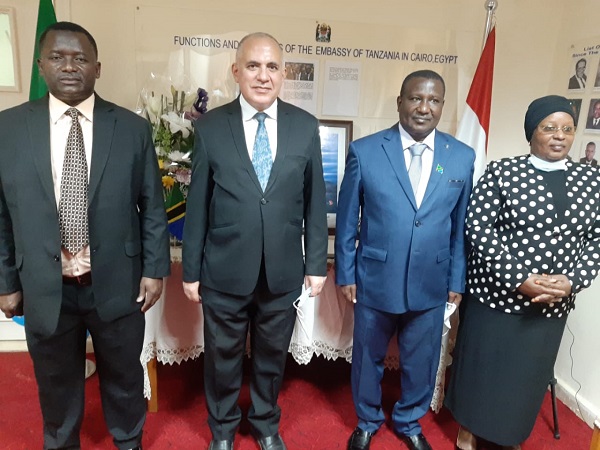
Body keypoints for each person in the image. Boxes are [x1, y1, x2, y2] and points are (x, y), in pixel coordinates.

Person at [0, 22, 170, 449]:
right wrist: (5, 282)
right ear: (40, 65)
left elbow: (152, 205)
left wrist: (154, 270)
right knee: (55, 382)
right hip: (45, 284)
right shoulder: (8, 128)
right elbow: (1, 213)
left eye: (80, 58)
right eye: (57, 57)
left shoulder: (131, 128)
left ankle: (128, 440)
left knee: (124, 376)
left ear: (98, 67)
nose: (69, 67)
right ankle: (61, 442)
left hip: (116, 282)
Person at [182, 32, 328, 450]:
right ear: (236, 71)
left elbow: (315, 200)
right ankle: (223, 429)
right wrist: (190, 271)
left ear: (283, 74)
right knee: (222, 358)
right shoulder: (210, 127)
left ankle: (265, 424)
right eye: (253, 66)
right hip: (223, 269)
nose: (263, 76)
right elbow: (198, 205)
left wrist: (316, 264)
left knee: (271, 357)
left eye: (272, 67)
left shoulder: (305, 126)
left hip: (283, 271)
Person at [445, 95, 600, 450]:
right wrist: (519, 278)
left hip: (551, 304)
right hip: (497, 299)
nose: (559, 136)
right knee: (483, 371)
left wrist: (573, 281)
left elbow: (596, 238)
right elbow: (478, 228)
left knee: (525, 378)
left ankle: (510, 433)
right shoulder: (503, 172)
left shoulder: (591, 180)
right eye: (549, 127)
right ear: (532, 132)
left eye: (567, 129)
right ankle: (469, 428)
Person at [335, 69, 475, 450]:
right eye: (415, 98)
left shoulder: (461, 157)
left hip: (431, 282)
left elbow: (460, 227)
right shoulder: (365, 151)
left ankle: (410, 421)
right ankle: (367, 420)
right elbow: (347, 220)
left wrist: (456, 279)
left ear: (442, 106)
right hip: (374, 278)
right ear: (400, 102)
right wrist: (346, 273)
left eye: (433, 100)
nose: (424, 108)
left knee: (421, 361)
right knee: (367, 358)